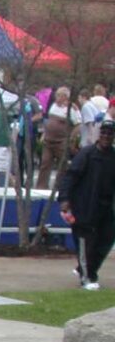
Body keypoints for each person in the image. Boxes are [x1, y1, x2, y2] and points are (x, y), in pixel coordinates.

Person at [58, 118, 115, 291]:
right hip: (85, 207)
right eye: (103, 132)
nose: (106, 136)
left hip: (106, 209)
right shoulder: (87, 154)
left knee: (105, 241)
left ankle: (89, 270)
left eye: (110, 133)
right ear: (99, 134)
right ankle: (86, 277)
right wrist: (65, 200)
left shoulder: (113, 156)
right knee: (85, 243)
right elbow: (70, 177)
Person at [36, 86, 81, 190]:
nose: (56, 97)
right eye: (56, 95)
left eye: (58, 95)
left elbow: (78, 124)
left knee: (62, 165)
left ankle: (60, 188)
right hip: (48, 140)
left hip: (61, 141)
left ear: (65, 96)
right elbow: (49, 121)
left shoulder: (71, 108)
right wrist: (44, 135)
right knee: (45, 163)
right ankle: (41, 187)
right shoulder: (53, 106)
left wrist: (72, 138)